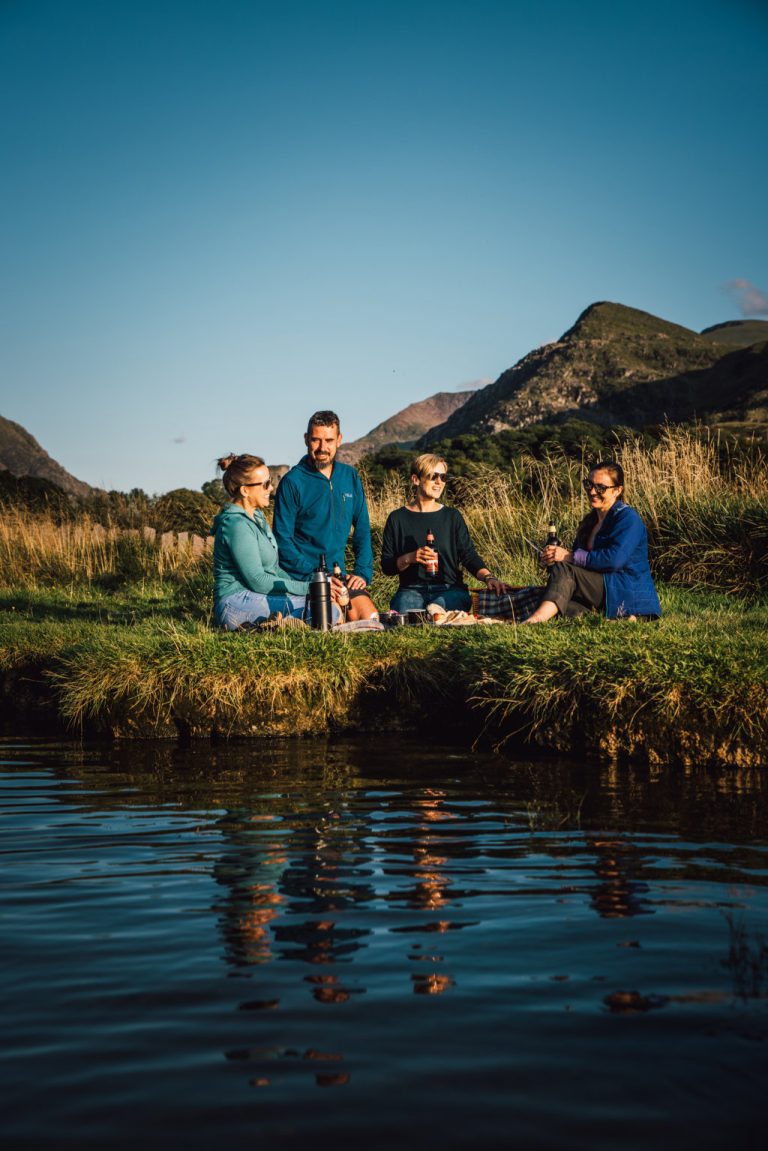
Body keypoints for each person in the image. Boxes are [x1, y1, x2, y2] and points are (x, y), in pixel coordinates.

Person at [212, 453, 339, 630]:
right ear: (245, 490)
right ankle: (279, 625)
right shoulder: (236, 525)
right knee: (326, 609)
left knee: (325, 606)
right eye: (265, 484)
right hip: (236, 602)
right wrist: (311, 588)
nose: (271, 488)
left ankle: (276, 625)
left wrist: (314, 585)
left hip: (255, 595)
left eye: (270, 481)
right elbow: (258, 580)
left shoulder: (257, 517)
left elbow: (274, 570)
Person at [524, 460, 661, 623]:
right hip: (601, 589)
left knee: (565, 571)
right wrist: (553, 558)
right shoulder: (590, 521)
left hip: (624, 589)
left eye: (600, 487)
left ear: (617, 490)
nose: (592, 491)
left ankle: (535, 621)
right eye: (589, 485)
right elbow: (577, 563)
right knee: (554, 600)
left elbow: (614, 560)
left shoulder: (628, 519)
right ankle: (614, 618)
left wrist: (568, 557)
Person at [272, 410, 378, 621]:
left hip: (340, 577)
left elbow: (362, 530)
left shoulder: (349, 476)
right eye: (316, 440)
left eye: (329, 440)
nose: (322, 447)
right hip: (306, 579)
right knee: (332, 619)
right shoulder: (292, 482)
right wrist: (317, 577)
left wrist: (362, 572)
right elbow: (282, 541)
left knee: (371, 618)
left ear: (339, 440)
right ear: (306, 439)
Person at [380, 453, 508, 614]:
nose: (439, 482)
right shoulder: (397, 518)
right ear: (416, 479)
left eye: (443, 477)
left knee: (437, 609)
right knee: (405, 610)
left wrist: (489, 577)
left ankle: (436, 612)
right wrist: (409, 558)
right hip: (411, 590)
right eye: (433, 476)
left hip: (450, 589)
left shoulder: (452, 517)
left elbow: (468, 555)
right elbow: (387, 567)